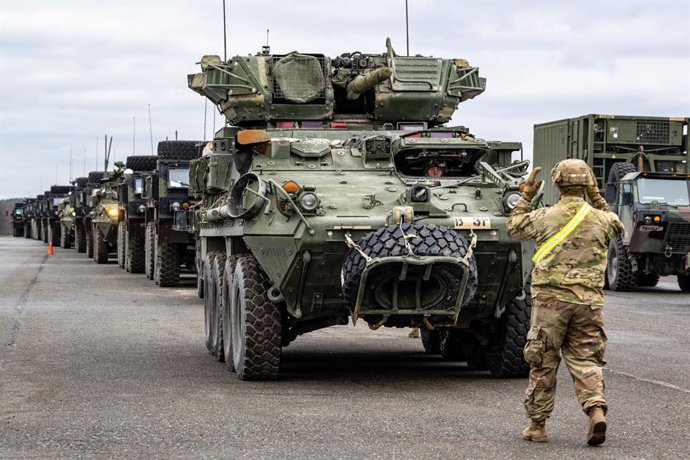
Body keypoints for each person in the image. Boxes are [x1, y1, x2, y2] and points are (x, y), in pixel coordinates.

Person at [507, 159, 624, 446]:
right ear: (587, 185)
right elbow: (617, 226)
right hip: (588, 302)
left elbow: (514, 226)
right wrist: (596, 196)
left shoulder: (545, 216)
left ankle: (537, 426)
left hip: (550, 303)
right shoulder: (602, 219)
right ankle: (595, 410)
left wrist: (527, 195)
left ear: (557, 184)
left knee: (543, 361)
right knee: (587, 359)